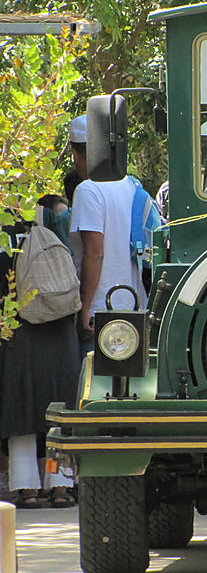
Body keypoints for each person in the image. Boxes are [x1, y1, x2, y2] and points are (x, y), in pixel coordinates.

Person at [0, 213, 80, 507]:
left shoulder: (3, 241)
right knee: (58, 413)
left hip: (19, 331)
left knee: (21, 410)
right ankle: (60, 484)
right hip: (59, 331)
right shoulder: (49, 234)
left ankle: (26, 487)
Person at [68, 114, 148, 355]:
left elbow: (95, 252)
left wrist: (85, 308)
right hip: (132, 303)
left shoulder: (88, 190)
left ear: (76, 154)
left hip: (101, 311)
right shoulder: (131, 184)